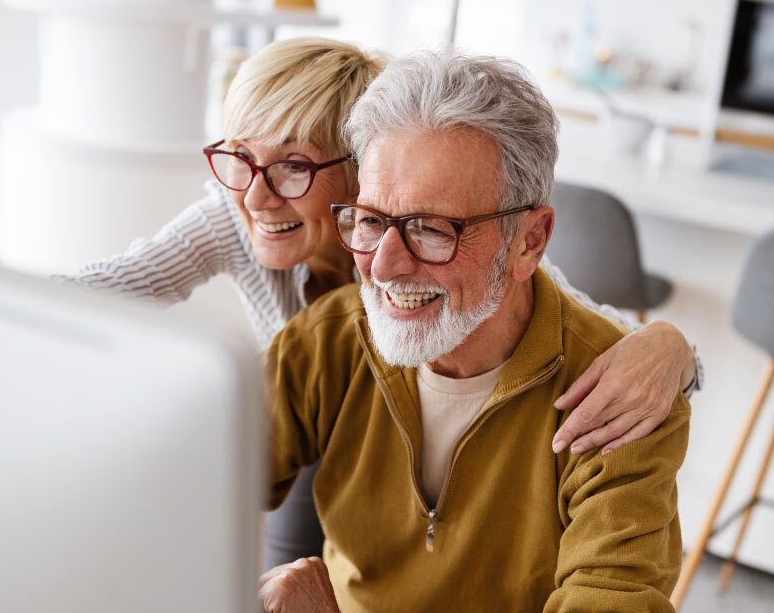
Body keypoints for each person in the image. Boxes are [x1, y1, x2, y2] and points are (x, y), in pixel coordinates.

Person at [62, 36, 701, 570]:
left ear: (357, 170)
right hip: (313, 426)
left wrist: (673, 348)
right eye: (241, 160)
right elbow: (116, 283)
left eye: (293, 166)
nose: (257, 197)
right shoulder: (243, 228)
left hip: (396, 438)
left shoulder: (481, 264)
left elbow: (594, 333)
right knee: (286, 577)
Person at [257, 50, 689, 613]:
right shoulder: (332, 340)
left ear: (530, 241)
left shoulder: (621, 400)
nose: (386, 266)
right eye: (371, 221)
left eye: (432, 229)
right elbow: (171, 501)